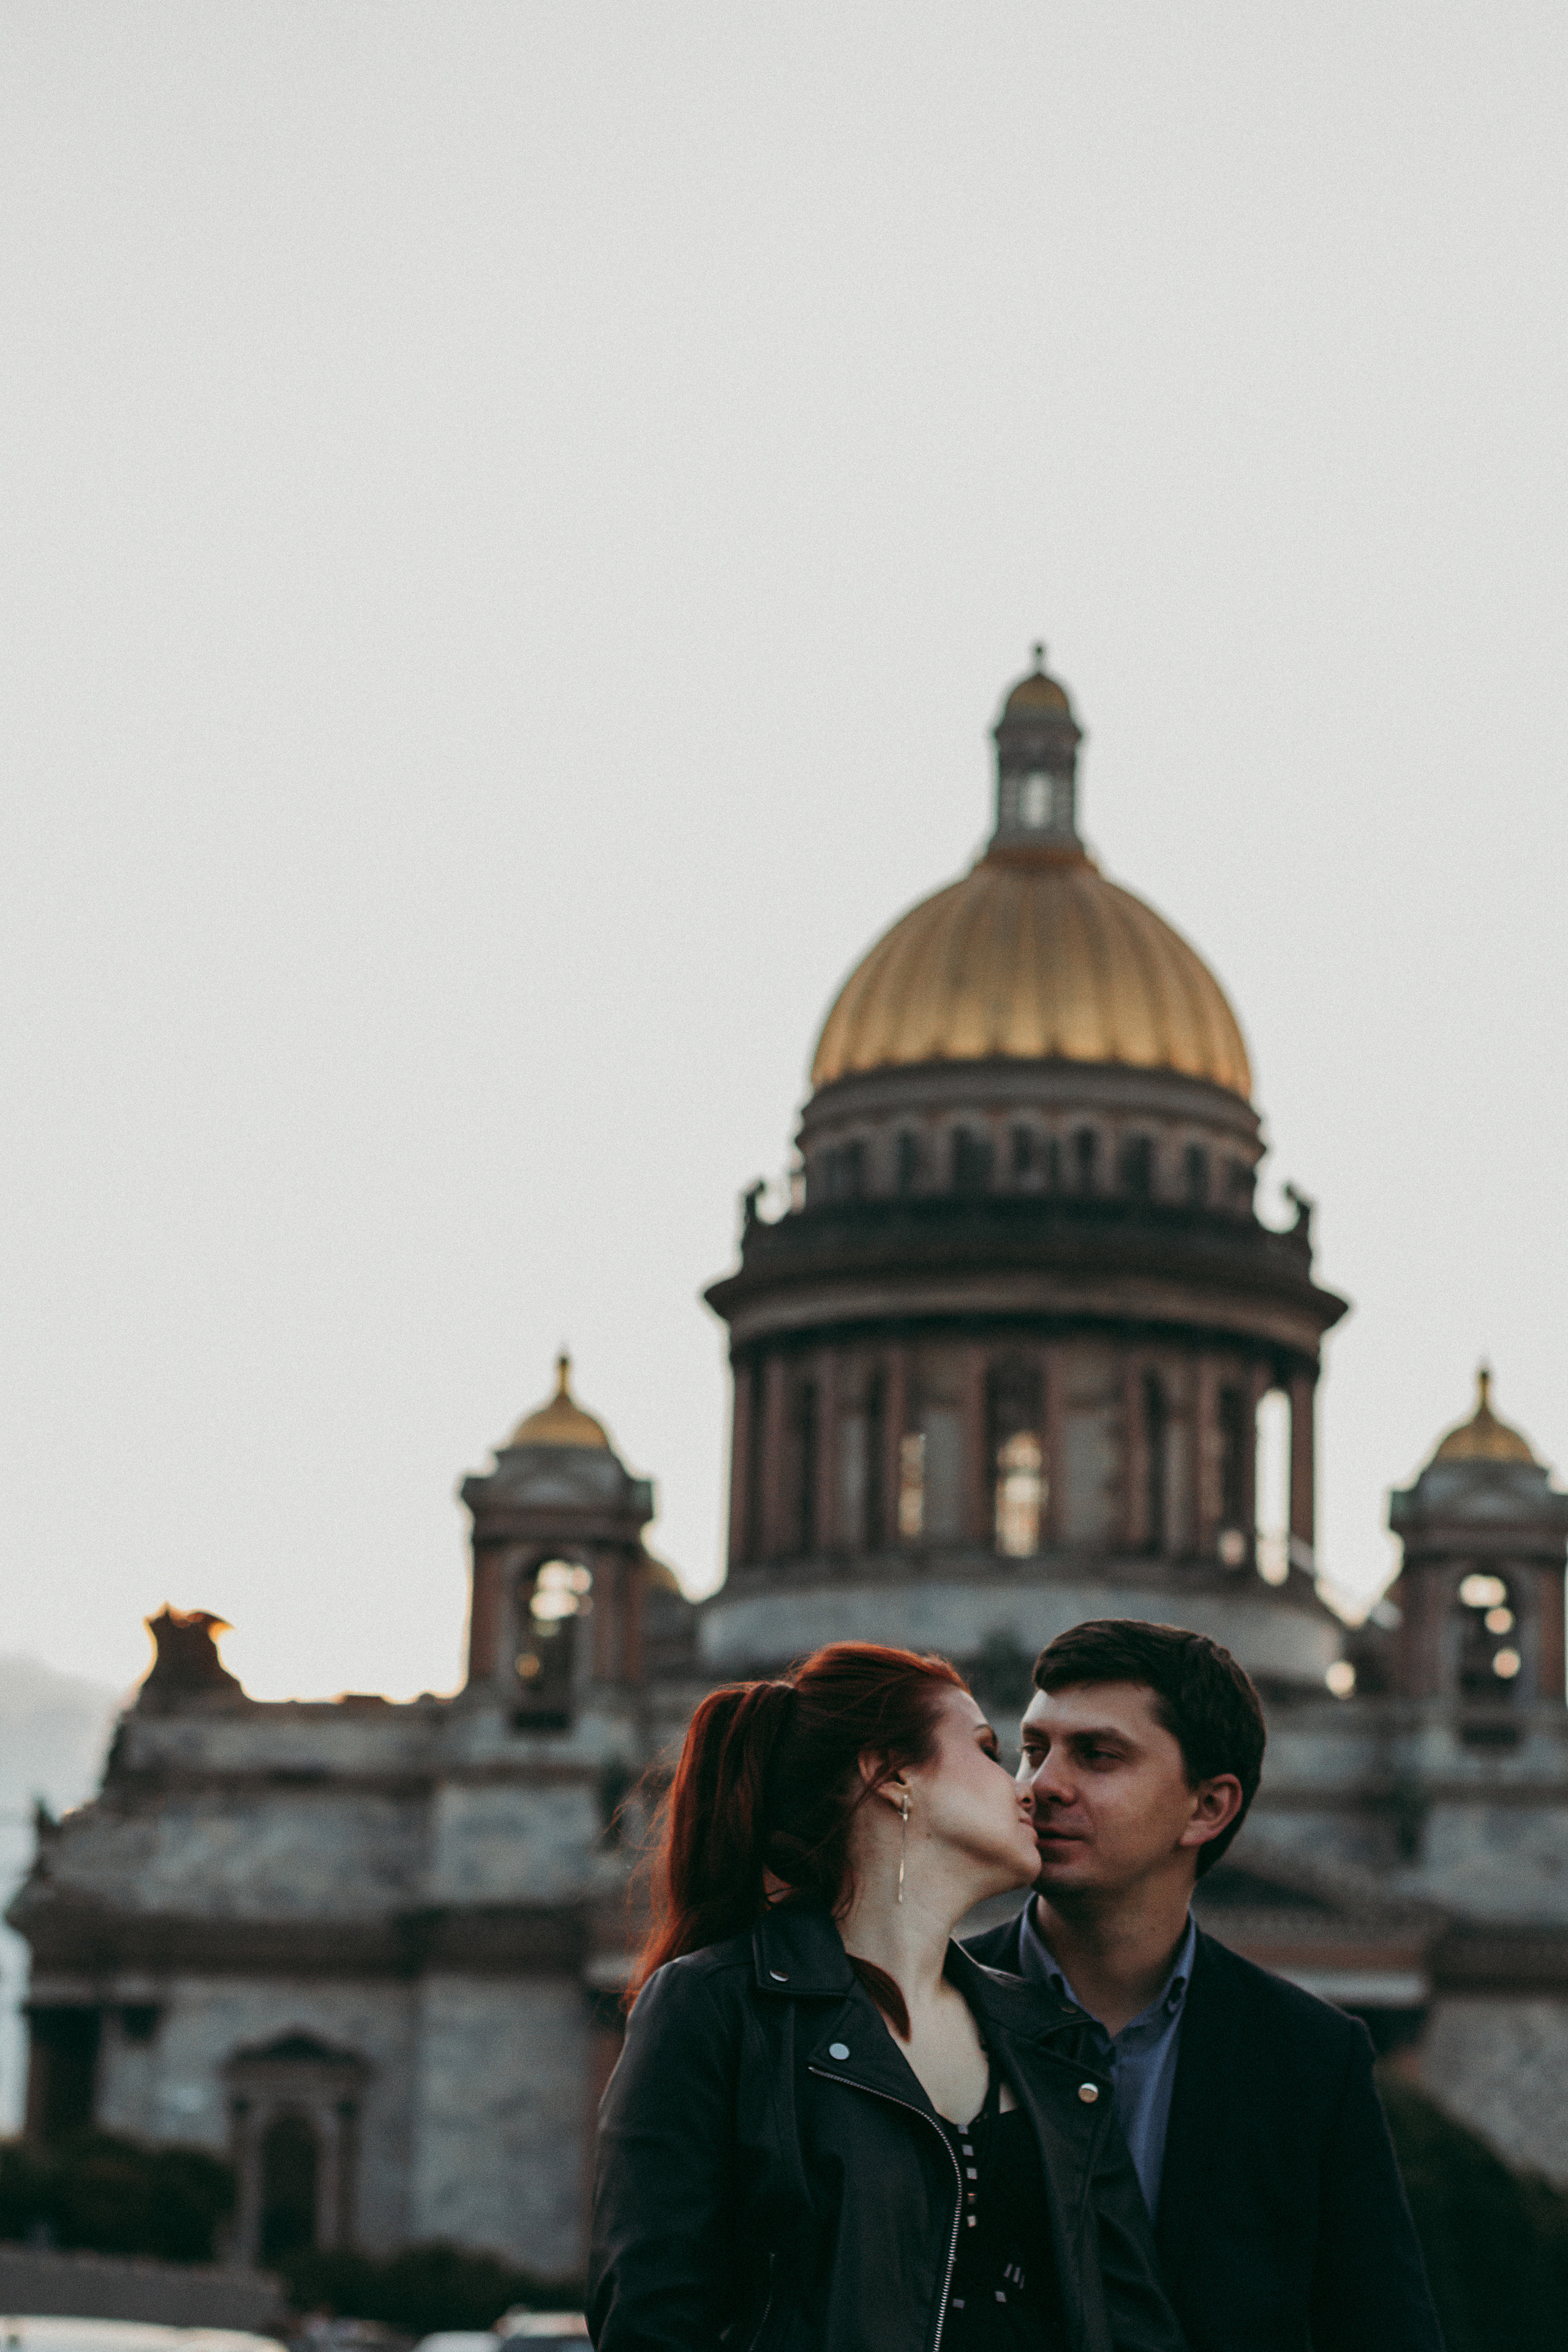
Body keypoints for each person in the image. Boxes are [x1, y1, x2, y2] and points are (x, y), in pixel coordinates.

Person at [589, 1640, 1186, 2352]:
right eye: (987, 1750)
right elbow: (655, 2324)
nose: (1027, 1788)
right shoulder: (716, 2006)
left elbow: (1130, 2325)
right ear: (891, 1774)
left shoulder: (1053, 2037)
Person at [964, 1619, 1444, 2352]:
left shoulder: (1311, 2059)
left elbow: (1381, 2328)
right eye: (1033, 1751)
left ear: (1207, 1808)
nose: (1039, 1787)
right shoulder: (921, 2009)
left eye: (1096, 1755)